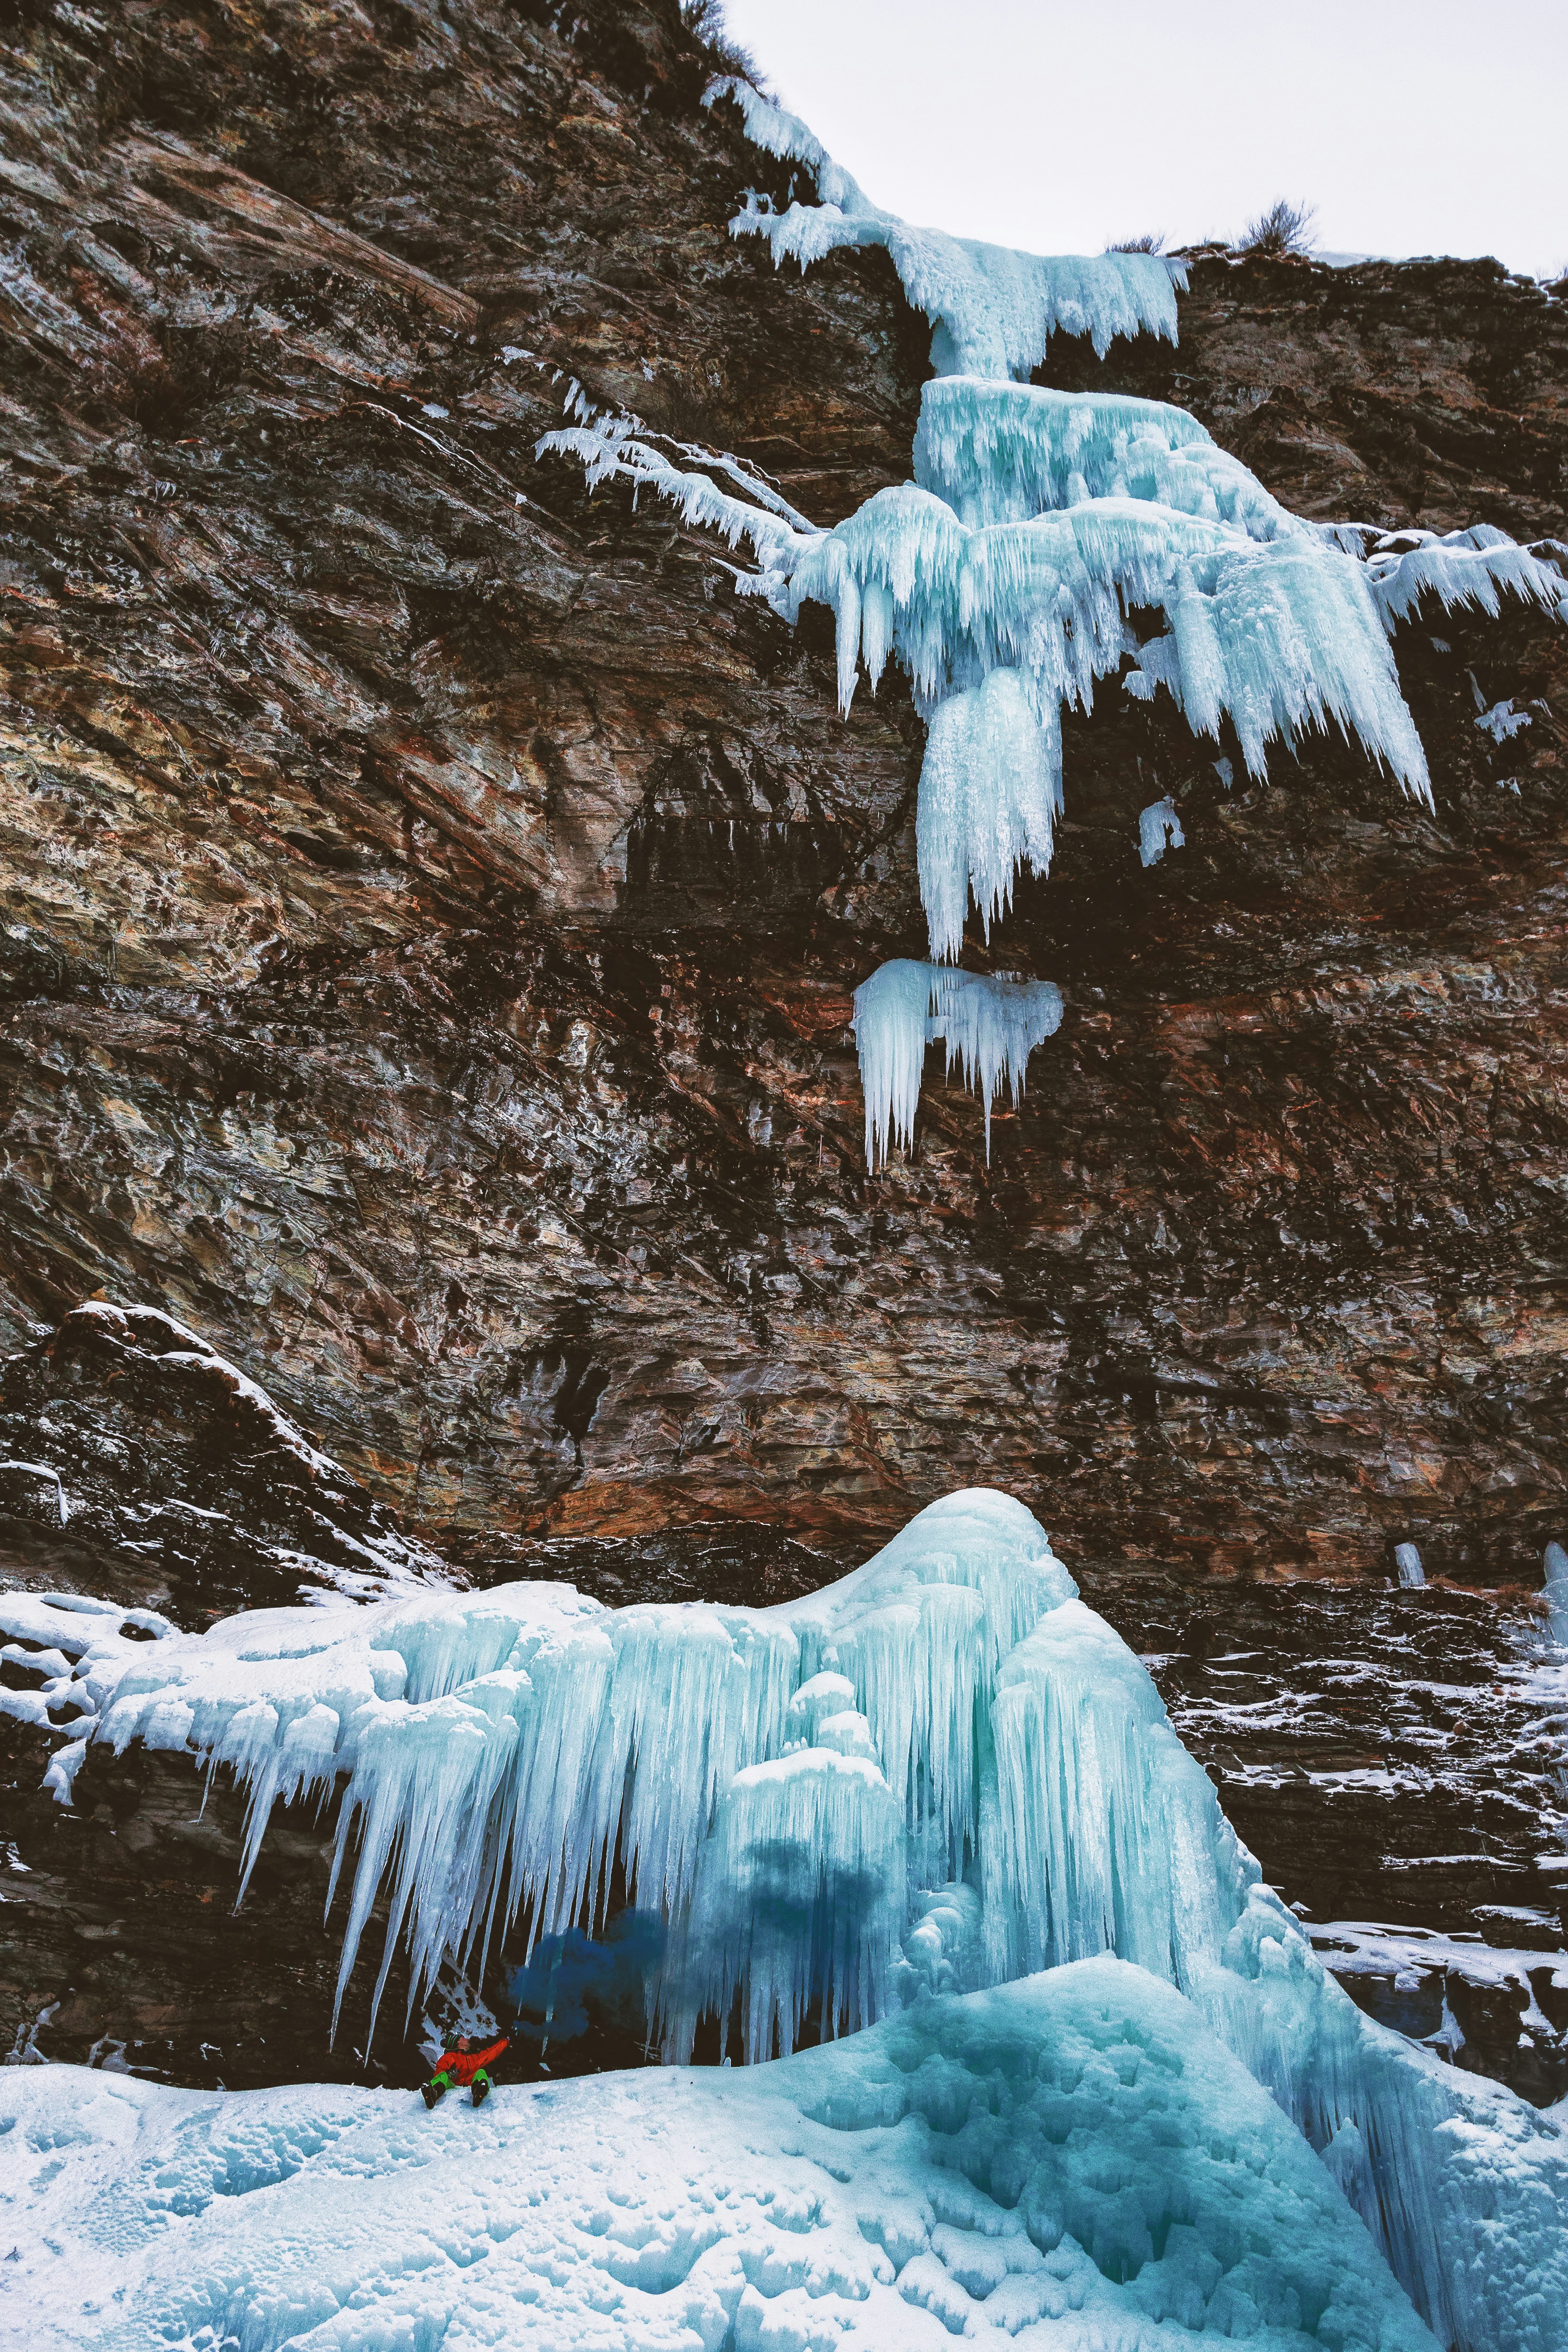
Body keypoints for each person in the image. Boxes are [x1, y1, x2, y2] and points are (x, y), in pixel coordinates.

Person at [421, 2031, 510, 2108]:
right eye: (463, 2038)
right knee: (443, 2076)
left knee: (481, 2072)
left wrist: (506, 2041)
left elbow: (490, 2053)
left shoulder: (473, 2059)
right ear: (458, 2042)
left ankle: (479, 2091)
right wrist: (449, 2075)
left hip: (470, 2085)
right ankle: (433, 2092)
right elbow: (439, 2074)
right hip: (452, 2085)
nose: (467, 2039)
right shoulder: (448, 2057)